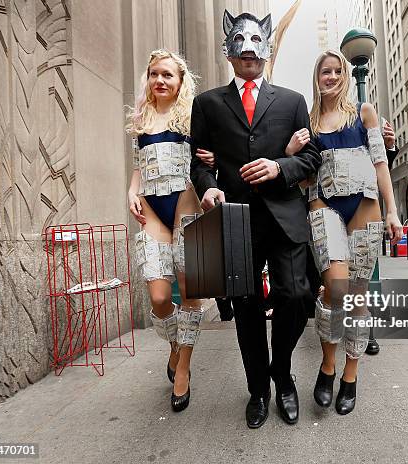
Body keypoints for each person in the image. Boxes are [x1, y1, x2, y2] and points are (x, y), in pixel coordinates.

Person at [190, 10, 321, 429]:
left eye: (255, 46)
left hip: (284, 215)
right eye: (240, 46)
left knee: (297, 295)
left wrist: (280, 167)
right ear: (229, 51)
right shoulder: (207, 104)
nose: (249, 53)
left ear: (266, 50)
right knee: (246, 308)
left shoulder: (292, 101)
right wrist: (208, 185)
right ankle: (258, 390)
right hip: (236, 220)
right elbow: (199, 162)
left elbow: (311, 158)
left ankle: (281, 373)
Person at [289, 49, 402, 415]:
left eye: (339, 70)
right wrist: (290, 150)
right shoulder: (306, 123)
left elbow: (381, 164)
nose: (333, 76)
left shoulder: (364, 114)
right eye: (326, 71)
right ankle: (327, 364)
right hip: (325, 205)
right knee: (335, 287)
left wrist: (394, 212)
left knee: (357, 295)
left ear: (346, 76)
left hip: (365, 206)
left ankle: (350, 375)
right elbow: (302, 176)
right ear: (317, 76)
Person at [126, 49, 206, 412]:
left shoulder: (191, 116)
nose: (160, 80)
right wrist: (131, 189)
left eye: (167, 75)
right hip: (152, 209)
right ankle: (175, 347)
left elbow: (209, 155)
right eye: (154, 74)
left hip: (187, 203)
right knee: (159, 297)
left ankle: (184, 366)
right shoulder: (141, 119)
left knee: (190, 293)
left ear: (180, 82)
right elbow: (138, 166)